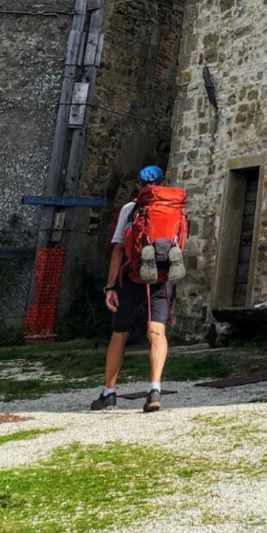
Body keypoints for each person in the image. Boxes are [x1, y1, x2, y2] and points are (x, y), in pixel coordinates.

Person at [91, 164, 178, 413]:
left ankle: (109, 393)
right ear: (162, 184)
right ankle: (154, 389)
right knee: (157, 333)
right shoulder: (174, 210)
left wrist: (110, 286)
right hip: (162, 278)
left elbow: (118, 249)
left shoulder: (131, 209)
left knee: (120, 334)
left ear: (139, 185)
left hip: (133, 278)